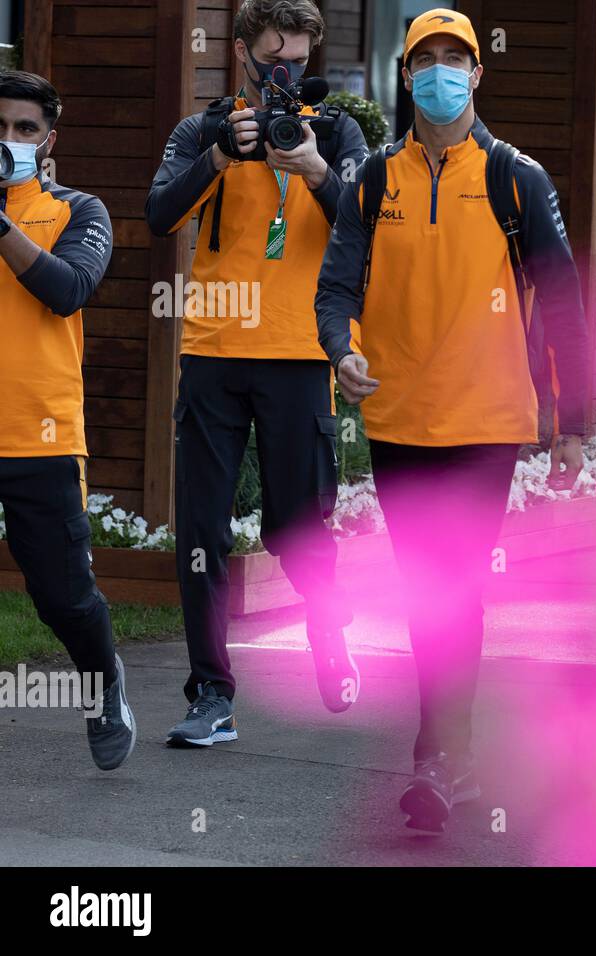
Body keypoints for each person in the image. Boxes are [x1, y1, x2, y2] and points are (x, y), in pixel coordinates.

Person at [315, 8, 590, 833]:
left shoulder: (517, 179)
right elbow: (336, 290)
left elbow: (567, 308)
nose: (439, 72)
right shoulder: (371, 180)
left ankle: (440, 761)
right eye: (424, 59)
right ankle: (446, 759)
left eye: (453, 59)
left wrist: (571, 420)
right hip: (400, 422)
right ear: (406, 76)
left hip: (487, 423)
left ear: (477, 74)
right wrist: (342, 349)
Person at [145, 0, 369, 745]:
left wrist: (311, 170)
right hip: (211, 355)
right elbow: (156, 215)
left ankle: (327, 629)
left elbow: (370, 235)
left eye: (298, 63)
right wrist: (215, 156)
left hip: (300, 356)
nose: (284, 76)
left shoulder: (336, 132)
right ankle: (211, 693)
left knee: (296, 529)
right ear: (239, 49)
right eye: (272, 59)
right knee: (201, 532)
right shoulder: (201, 129)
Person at [0, 70, 134, 770]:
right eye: (0, 127)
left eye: (25, 130)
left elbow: (67, 290)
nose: (10, 141)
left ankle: (103, 680)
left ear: (49, 140)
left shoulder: (80, 210)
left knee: (62, 597)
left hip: (39, 434)